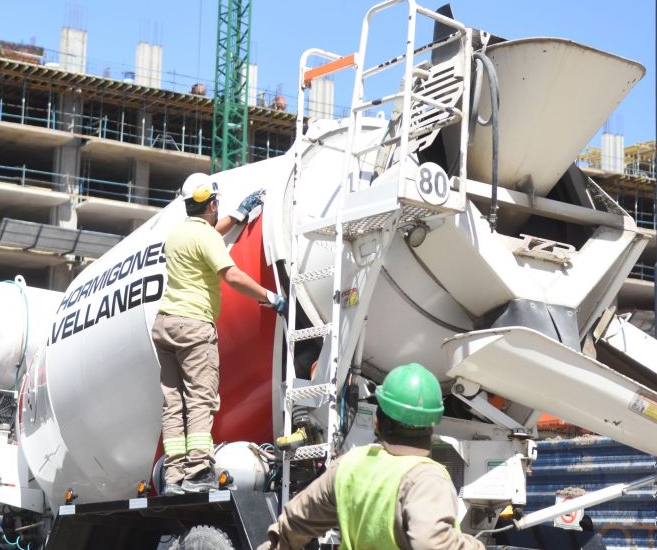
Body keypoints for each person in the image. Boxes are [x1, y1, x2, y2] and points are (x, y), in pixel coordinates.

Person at [154, 173, 286, 495]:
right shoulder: (207, 238)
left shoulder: (177, 235)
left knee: (174, 405)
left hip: (165, 325)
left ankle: (173, 476)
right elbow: (232, 275)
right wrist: (270, 297)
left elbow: (207, 235)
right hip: (194, 326)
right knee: (200, 400)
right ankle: (198, 472)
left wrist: (237, 217)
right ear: (211, 203)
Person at [261, 363, 486, 550]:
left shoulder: (349, 466)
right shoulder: (427, 479)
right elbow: (431, 543)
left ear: (377, 422)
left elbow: (293, 524)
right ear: (433, 427)